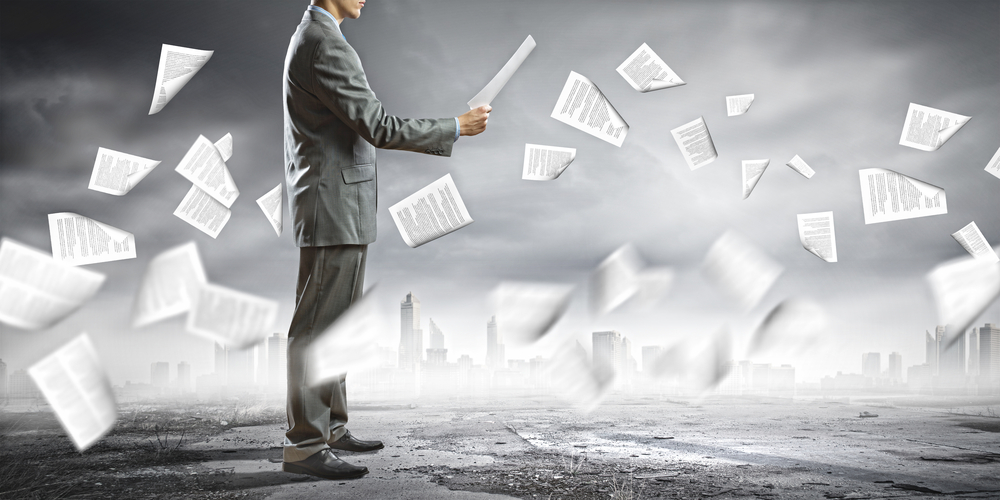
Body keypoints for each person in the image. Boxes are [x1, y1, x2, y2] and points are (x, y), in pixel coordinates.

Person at [281, 0, 491, 480]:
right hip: (333, 203)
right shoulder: (324, 43)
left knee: (333, 325)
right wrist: (456, 127)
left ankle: (329, 429)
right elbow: (378, 126)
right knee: (318, 327)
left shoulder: (317, 36)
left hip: (336, 202)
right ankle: (305, 446)